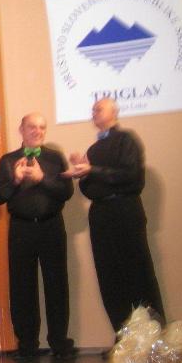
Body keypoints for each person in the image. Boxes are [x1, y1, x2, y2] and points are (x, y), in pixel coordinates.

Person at [65, 98, 165, 337]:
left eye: (99, 108)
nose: (94, 112)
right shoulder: (93, 150)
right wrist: (83, 173)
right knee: (109, 277)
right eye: (93, 109)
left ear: (114, 112)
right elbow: (89, 190)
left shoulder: (126, 140)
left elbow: (131, 176)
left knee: (138, 273)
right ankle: (124, 338)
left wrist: (93, 171)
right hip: (101, 215)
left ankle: (154, 338)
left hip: (126, 210)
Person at [0, 113, 76, 360]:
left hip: (52, 226)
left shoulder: (55, 158)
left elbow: (66, 191)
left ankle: (59, 342)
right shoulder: (8, 160)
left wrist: (42, 179)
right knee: (22, 288)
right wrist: (16, 180)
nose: (37, 131)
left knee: (57, 285)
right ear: (21, 129)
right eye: (32, 127)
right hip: (21, 229)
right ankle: (27, 345)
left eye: (41, 127)